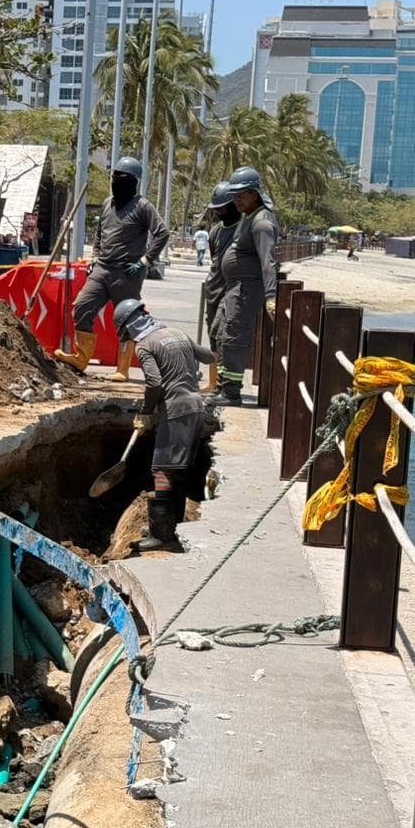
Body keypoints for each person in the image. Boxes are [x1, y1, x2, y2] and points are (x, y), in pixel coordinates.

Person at [53, 156, 168, 381]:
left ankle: (122, 369)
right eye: (114, 177)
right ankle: (81, 357)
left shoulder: (143, 206)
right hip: (102, 269)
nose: (117, 182)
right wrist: (95, 257)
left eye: (122, 179)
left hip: (127, 273)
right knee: (82, 307)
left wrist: (145, 261)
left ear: (133, 182)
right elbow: (99, 234)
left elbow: (162, 232)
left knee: (127, 319)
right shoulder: (108, 203)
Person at [115, 298, 214, 551]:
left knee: (161, 470)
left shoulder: (146, 345)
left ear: (131, 327)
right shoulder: (176, 333)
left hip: (176, 411)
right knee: (176, 471)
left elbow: (154, 383)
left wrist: (146, 411)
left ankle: (162, 535)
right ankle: (172, 528)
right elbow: (208, 356)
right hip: (196, 408)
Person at [208, 166, 278, 407]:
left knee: (234, 338)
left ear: (254, 194)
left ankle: (231, 392)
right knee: (219, 333)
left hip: (246, 290)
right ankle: (222, 385)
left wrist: (271, 296)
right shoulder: (248, 217)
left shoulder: (261, 222)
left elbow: (268, 261)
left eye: (240, 195)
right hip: (233, 288)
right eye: (233, 195)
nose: (235, 200)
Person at [201, 181, 239, 395]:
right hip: (213, 290)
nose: (220, 213)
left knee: (225, 337)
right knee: (213, 337)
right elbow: (214, 259)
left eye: (223, 208)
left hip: (231, 291)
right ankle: (213, 381)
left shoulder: (244, 229)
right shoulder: (215, 231)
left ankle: (226, 383)